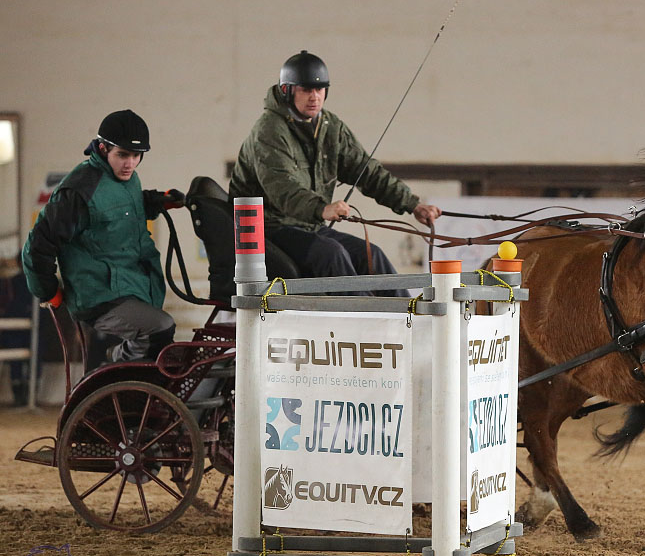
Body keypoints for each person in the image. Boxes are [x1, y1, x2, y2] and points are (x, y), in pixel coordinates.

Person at [230, 50, 441, 295]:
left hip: (309, 227)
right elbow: (283, 188)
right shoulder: (268, 131)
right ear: (287, 91)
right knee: (332, 254)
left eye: (320, 90)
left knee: (371, 255)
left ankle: (410, 318)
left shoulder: (329, 127)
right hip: (270, 229)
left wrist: (412, 205)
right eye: (306, 90)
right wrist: (322, 208)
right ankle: (367, 324)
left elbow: (367, 171)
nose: (314, 97)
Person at [21, 109, 184, 363]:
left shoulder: (126, 179)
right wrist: (48, 290)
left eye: (136, 156)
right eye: (122, 155)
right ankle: (111, 371)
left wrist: (158, 202)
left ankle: (130, 386)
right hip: (98, 295)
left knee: (161, 352)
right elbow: (38, 244)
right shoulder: (79, 189)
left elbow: (122, 210)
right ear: (102, 148)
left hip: (128, 285)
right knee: (160, 328)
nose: (130, 163)